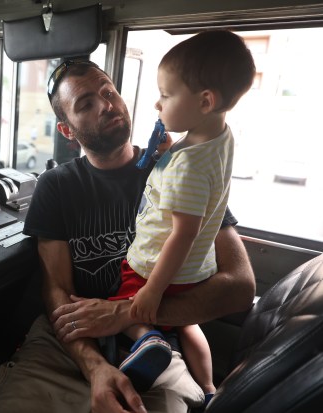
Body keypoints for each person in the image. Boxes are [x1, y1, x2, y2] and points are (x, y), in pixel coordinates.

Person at [0, 55, 255, 413]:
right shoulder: (56, 186)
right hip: (70, 342)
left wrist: (127, 314)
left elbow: (240, 287)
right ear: (66, 130)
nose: (107, 105)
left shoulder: (179, 173)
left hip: (156, 342)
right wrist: (95, 368)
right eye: (86, 103)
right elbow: (57, 289)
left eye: (109, 92)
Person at [107, 29, 257, 404]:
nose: (158, 105)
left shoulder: (186, 168)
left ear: (205, 101)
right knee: (188, 322)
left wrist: (151, 291)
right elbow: (197, 175)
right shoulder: (219, 138)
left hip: (157, 265)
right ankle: (210, 389)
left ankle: (147, 338)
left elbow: (181, 233)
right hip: (196, 270)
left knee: (127, 302)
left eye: (166, 95)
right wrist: (169, 150)